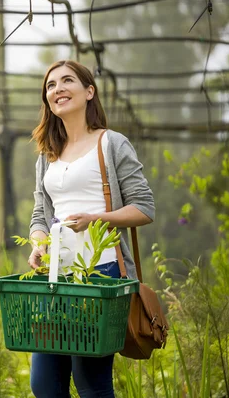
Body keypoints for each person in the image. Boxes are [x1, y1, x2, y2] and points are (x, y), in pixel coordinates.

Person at [27, 60, 155, 397]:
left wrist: (96, 219)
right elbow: (41, 214)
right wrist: (38, 244)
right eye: (51, 85)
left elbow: (144, 207)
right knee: (44, 384)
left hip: (101, 273)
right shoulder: (47, 153)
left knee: (90, 382)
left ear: (89, 91)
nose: (58, 89)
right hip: (57, 277)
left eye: (67, 81)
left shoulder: (111, 143)